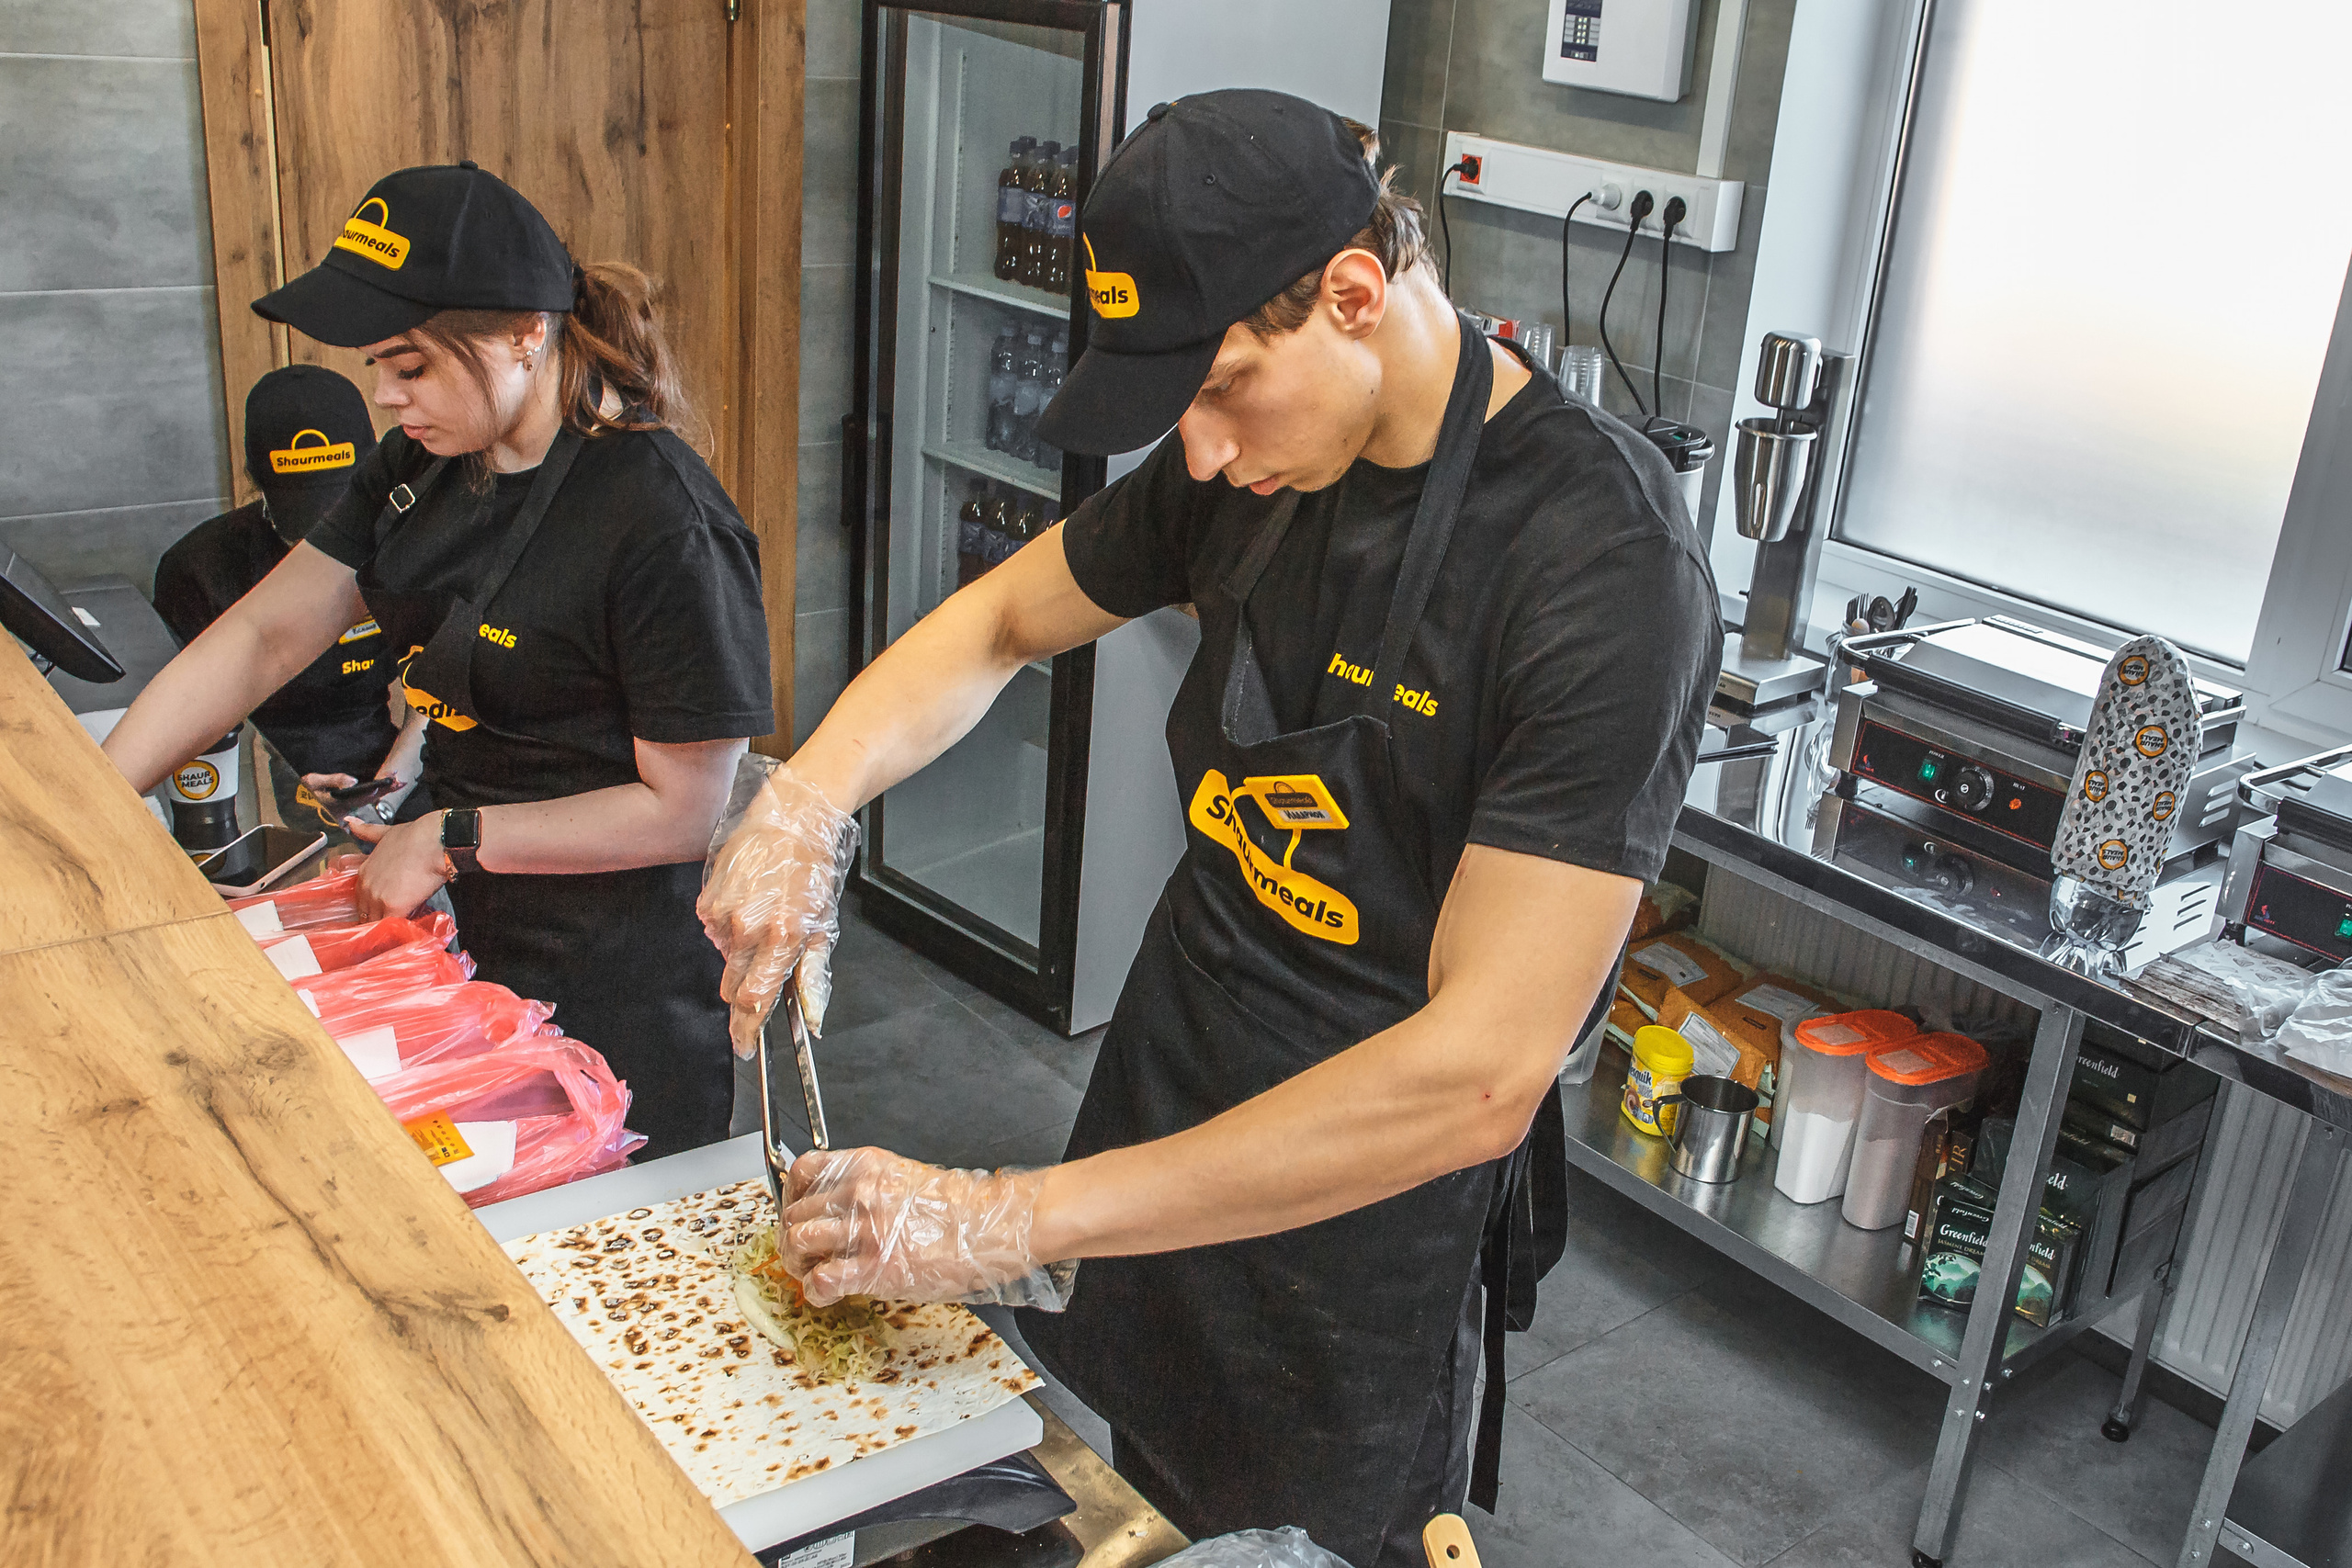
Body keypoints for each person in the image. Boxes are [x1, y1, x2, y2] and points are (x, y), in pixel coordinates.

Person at [698, 94, 1721, 1562]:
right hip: (1167, 1092)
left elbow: (1480, 1070)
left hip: (1355, 1215)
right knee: (1120, 1497)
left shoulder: (1599, 558)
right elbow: (995, 621)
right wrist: (802, 799)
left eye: (1224, 387)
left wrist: (1007, 1214)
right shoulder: (1243, 470)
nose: (1198, 446)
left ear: (1355, 296)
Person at [106, 163, 774, 1160]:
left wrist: (455, 833)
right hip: (458, 918)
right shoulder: (423, 462)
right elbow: (265, 632)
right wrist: (96, 794)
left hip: (607, 959)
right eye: (380, 366)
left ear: (525, 333)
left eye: (411, 367)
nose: (382, 398)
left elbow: (682, 812)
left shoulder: (662, 523)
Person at [153, 365, 433, 830]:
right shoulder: (198, 568)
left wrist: (391, 783)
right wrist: (292, 784)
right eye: (302, 518)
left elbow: (432, 693)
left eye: (343, 511)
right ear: (257, 480)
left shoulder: (411, 544)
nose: (324, 540)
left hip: (387, 761)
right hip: (245, 769)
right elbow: (191, 729)